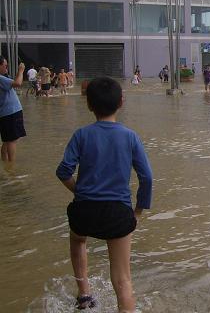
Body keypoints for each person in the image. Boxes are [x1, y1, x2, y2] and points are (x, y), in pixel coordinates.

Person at [56, 77, 153, 312]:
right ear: (121, 102)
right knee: (122, 280)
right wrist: (138, 211)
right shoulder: (130, 136)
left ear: (89, 105)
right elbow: (147, 178)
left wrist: (80, 191)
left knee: (78, 240)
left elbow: (63, 172)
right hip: (118, 214)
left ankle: (84, 293)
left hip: (84, 211)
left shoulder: (81, 135)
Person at [0, 58, 26, 162]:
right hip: (10, 112)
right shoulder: (1, 78)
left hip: (6, 113)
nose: (7, 67)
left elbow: (14, 83)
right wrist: (21, 71)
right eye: (5, 65)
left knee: (7, 140)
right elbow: (18, 83)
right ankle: (11, 168)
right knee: (12, 140)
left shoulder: (3, 78)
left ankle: (6, 164)